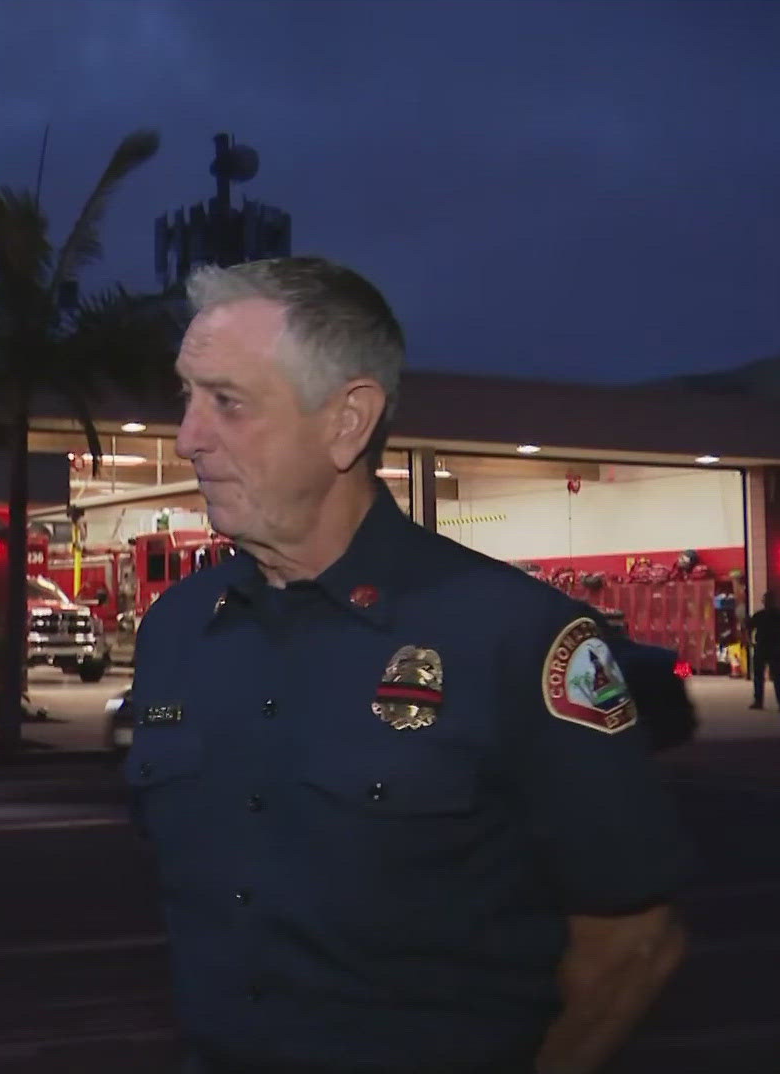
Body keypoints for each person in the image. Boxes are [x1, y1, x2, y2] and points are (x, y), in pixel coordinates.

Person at [128, 257, 693, 1074]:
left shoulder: (517, 636)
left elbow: (636, 942)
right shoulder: (177, 630)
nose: (187, 437)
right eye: (186, 397)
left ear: (348, 421)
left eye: (227, 402)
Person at [746, 591, 780, 711]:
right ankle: (767, 702)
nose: (767, 603)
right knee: (765, 676)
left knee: (775, 677)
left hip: (770, 647)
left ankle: (777, 703)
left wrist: (750, 642)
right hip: (766, 647)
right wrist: (750, 642)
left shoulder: (777, 615)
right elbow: (749, 629)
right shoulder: (769, 615)